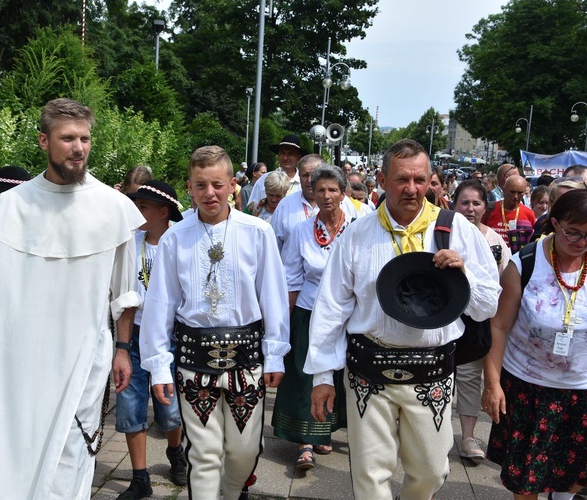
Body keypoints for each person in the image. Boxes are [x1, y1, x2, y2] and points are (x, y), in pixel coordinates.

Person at [0, 98, 145, 499]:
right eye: (67, 138)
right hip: (21, 365)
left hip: (84, 356)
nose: (78, 147)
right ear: (44, 141)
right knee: (14, 453)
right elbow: (1, 296)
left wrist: (123, 349)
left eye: (85, 138)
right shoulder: (11, 207)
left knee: (70, 457)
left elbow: (125, 295)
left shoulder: (115, 208)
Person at [305, 139, 500, 500]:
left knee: (432, 471)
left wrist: (464, 274)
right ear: (381, 178)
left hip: (432, 371)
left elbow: (487, 307)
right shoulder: (357, 235)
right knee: (369, 474)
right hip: (370, 369)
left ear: (430, 180)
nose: (412, 189)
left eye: (420, 179)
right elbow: (331, 307)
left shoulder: (457, 230)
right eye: (401, 180)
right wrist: (322, 376)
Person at [139, 145, 290, 500]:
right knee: (203, 455)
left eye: (218, 184)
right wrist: (159, 367)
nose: (210, 193)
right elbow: (160, 304)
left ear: (232, 185)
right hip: (194, 362)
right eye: (201, 185)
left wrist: (275, 354)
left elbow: (273, 298)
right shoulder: (175, 237)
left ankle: (232, 491)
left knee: (244, 452)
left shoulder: (257, 232)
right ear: (189, 187)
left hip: (247, 360)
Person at [482, 189, 587, 499]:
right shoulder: (525, 264)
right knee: (527, 480)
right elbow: (498, 326)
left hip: (582, 392)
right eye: (574, 233)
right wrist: (492, 384)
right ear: (555, 223)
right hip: (528, 389)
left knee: (573, 476)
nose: (581, 243)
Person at [273, 166, 351, 471]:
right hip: (309, 312)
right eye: (321, 190)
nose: (327, 195)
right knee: (306, 374)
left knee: (340, 376)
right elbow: (291, 279)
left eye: (333, 189)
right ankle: (305, 443)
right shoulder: (302, 231)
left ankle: (325, 432)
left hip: (347, 314)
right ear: (312, 195)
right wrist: (285, 324)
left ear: (343, 194)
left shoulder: (356, 228)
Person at [116, 180, 186, 500]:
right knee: (131, 407)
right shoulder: (133, 242)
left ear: (163, 211)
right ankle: (140, 477)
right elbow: (125, 297)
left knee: (169, 410)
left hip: (168, 338)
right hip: (135, 335)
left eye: (142, 207)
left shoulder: (179, 244)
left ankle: (175, 452)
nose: (136, 212)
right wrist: (121, 346)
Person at [451, 179, 509, 461]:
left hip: (479, 320)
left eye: (476, 203)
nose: (470, 208)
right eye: (464, 202)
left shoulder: (495, 241)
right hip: (446, 315)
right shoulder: (444, 232)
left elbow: (503, 280)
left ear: (486, 207)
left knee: (470, 376)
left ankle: (468, 436)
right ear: (454, 204)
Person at [269, 154, 322, 253]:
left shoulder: (342, 204)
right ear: (299, 176)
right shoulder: (285, 205)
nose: (309, 180)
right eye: (305, 175)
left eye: (314, 175)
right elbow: (273, 246)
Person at [247, 134, 308, 209]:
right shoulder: (264, 179)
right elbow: (252, 207)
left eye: (290, 154)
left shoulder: (304, 183)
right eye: (282, 153)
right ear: (278, 155)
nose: (285, 158)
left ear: (298, 158)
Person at [485, 174, 536, 252]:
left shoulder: (529, 214)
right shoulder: (489, 209)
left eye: (520, 193)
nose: (516, 196)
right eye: (512, 192)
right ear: (504, 190)